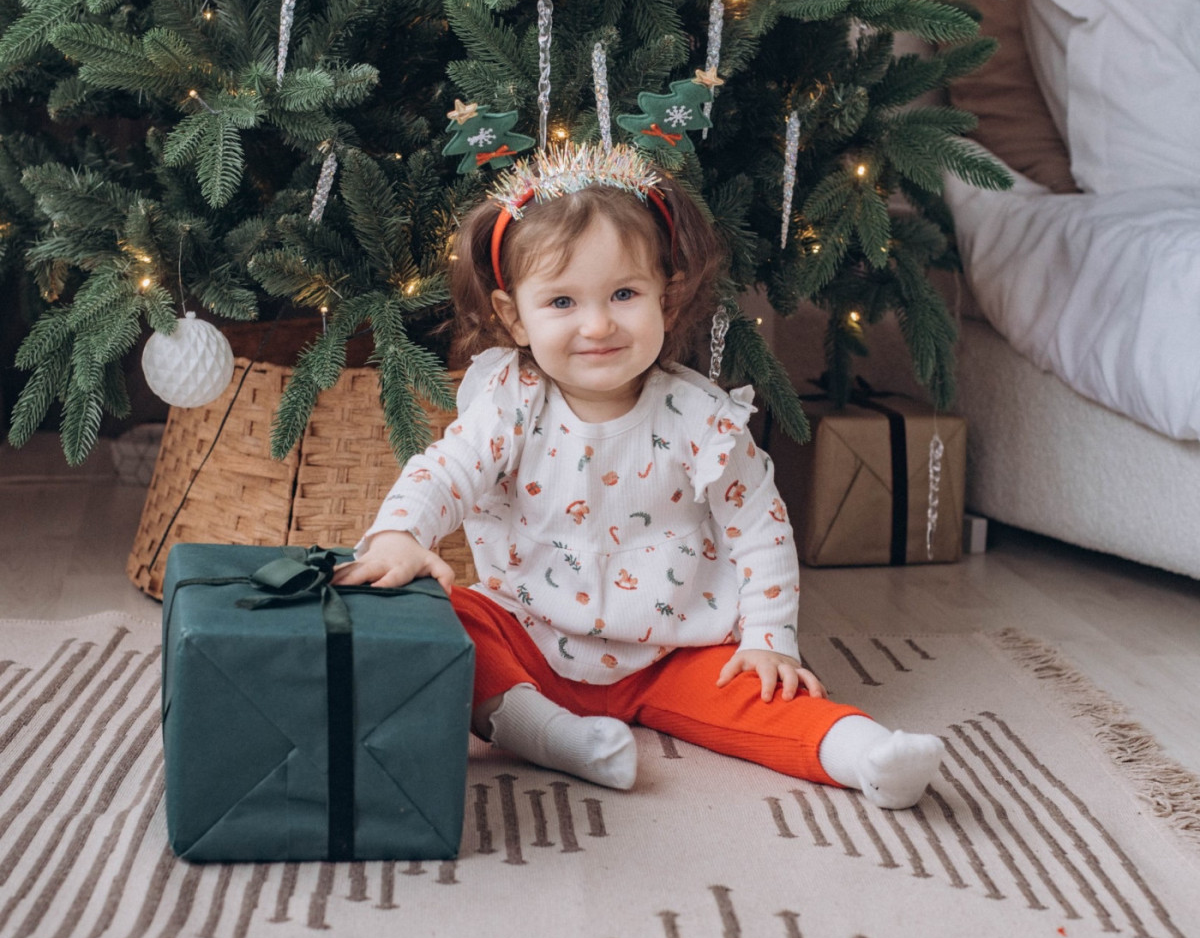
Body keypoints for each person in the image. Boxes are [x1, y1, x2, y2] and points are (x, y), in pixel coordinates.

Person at [335, 146, 945, 805]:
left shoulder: (701, 420)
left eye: (624, 294)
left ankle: (863, 753)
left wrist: (771, 638)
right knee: (445, 615)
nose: (598, 324)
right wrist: (400, 533)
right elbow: (444, 472)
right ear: (515, 317)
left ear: (668, 299)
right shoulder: (510, 401)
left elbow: (760, 529)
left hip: (674, 652)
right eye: (562, 301)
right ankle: (551, 735)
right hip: (530, 635)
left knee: (765, 690)